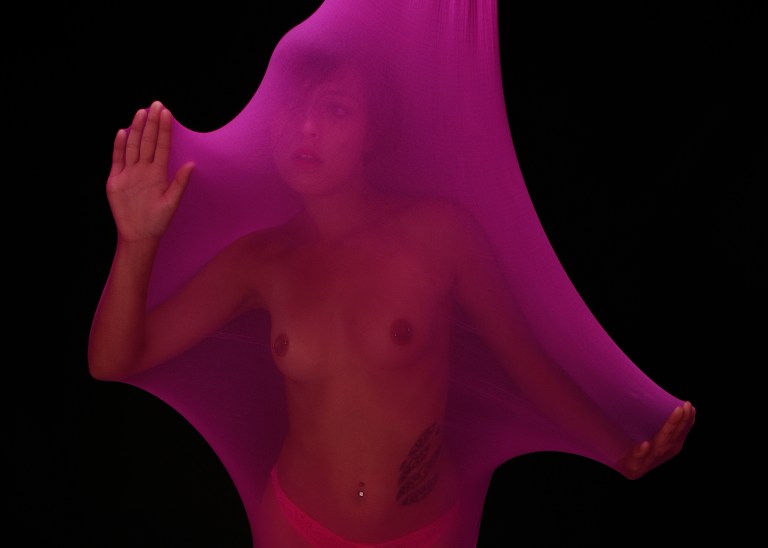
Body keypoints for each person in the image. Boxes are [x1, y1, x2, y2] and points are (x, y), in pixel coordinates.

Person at [88, 4, 695, 547]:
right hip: (294, 526)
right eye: (292, 106)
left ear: (371, 135)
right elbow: (115, 361)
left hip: (425, 529)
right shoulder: (261, 262)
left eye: (335, 108)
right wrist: (136, 244)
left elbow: (523, 359)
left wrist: (617, 449)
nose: (306, 127)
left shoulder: (439, 234)